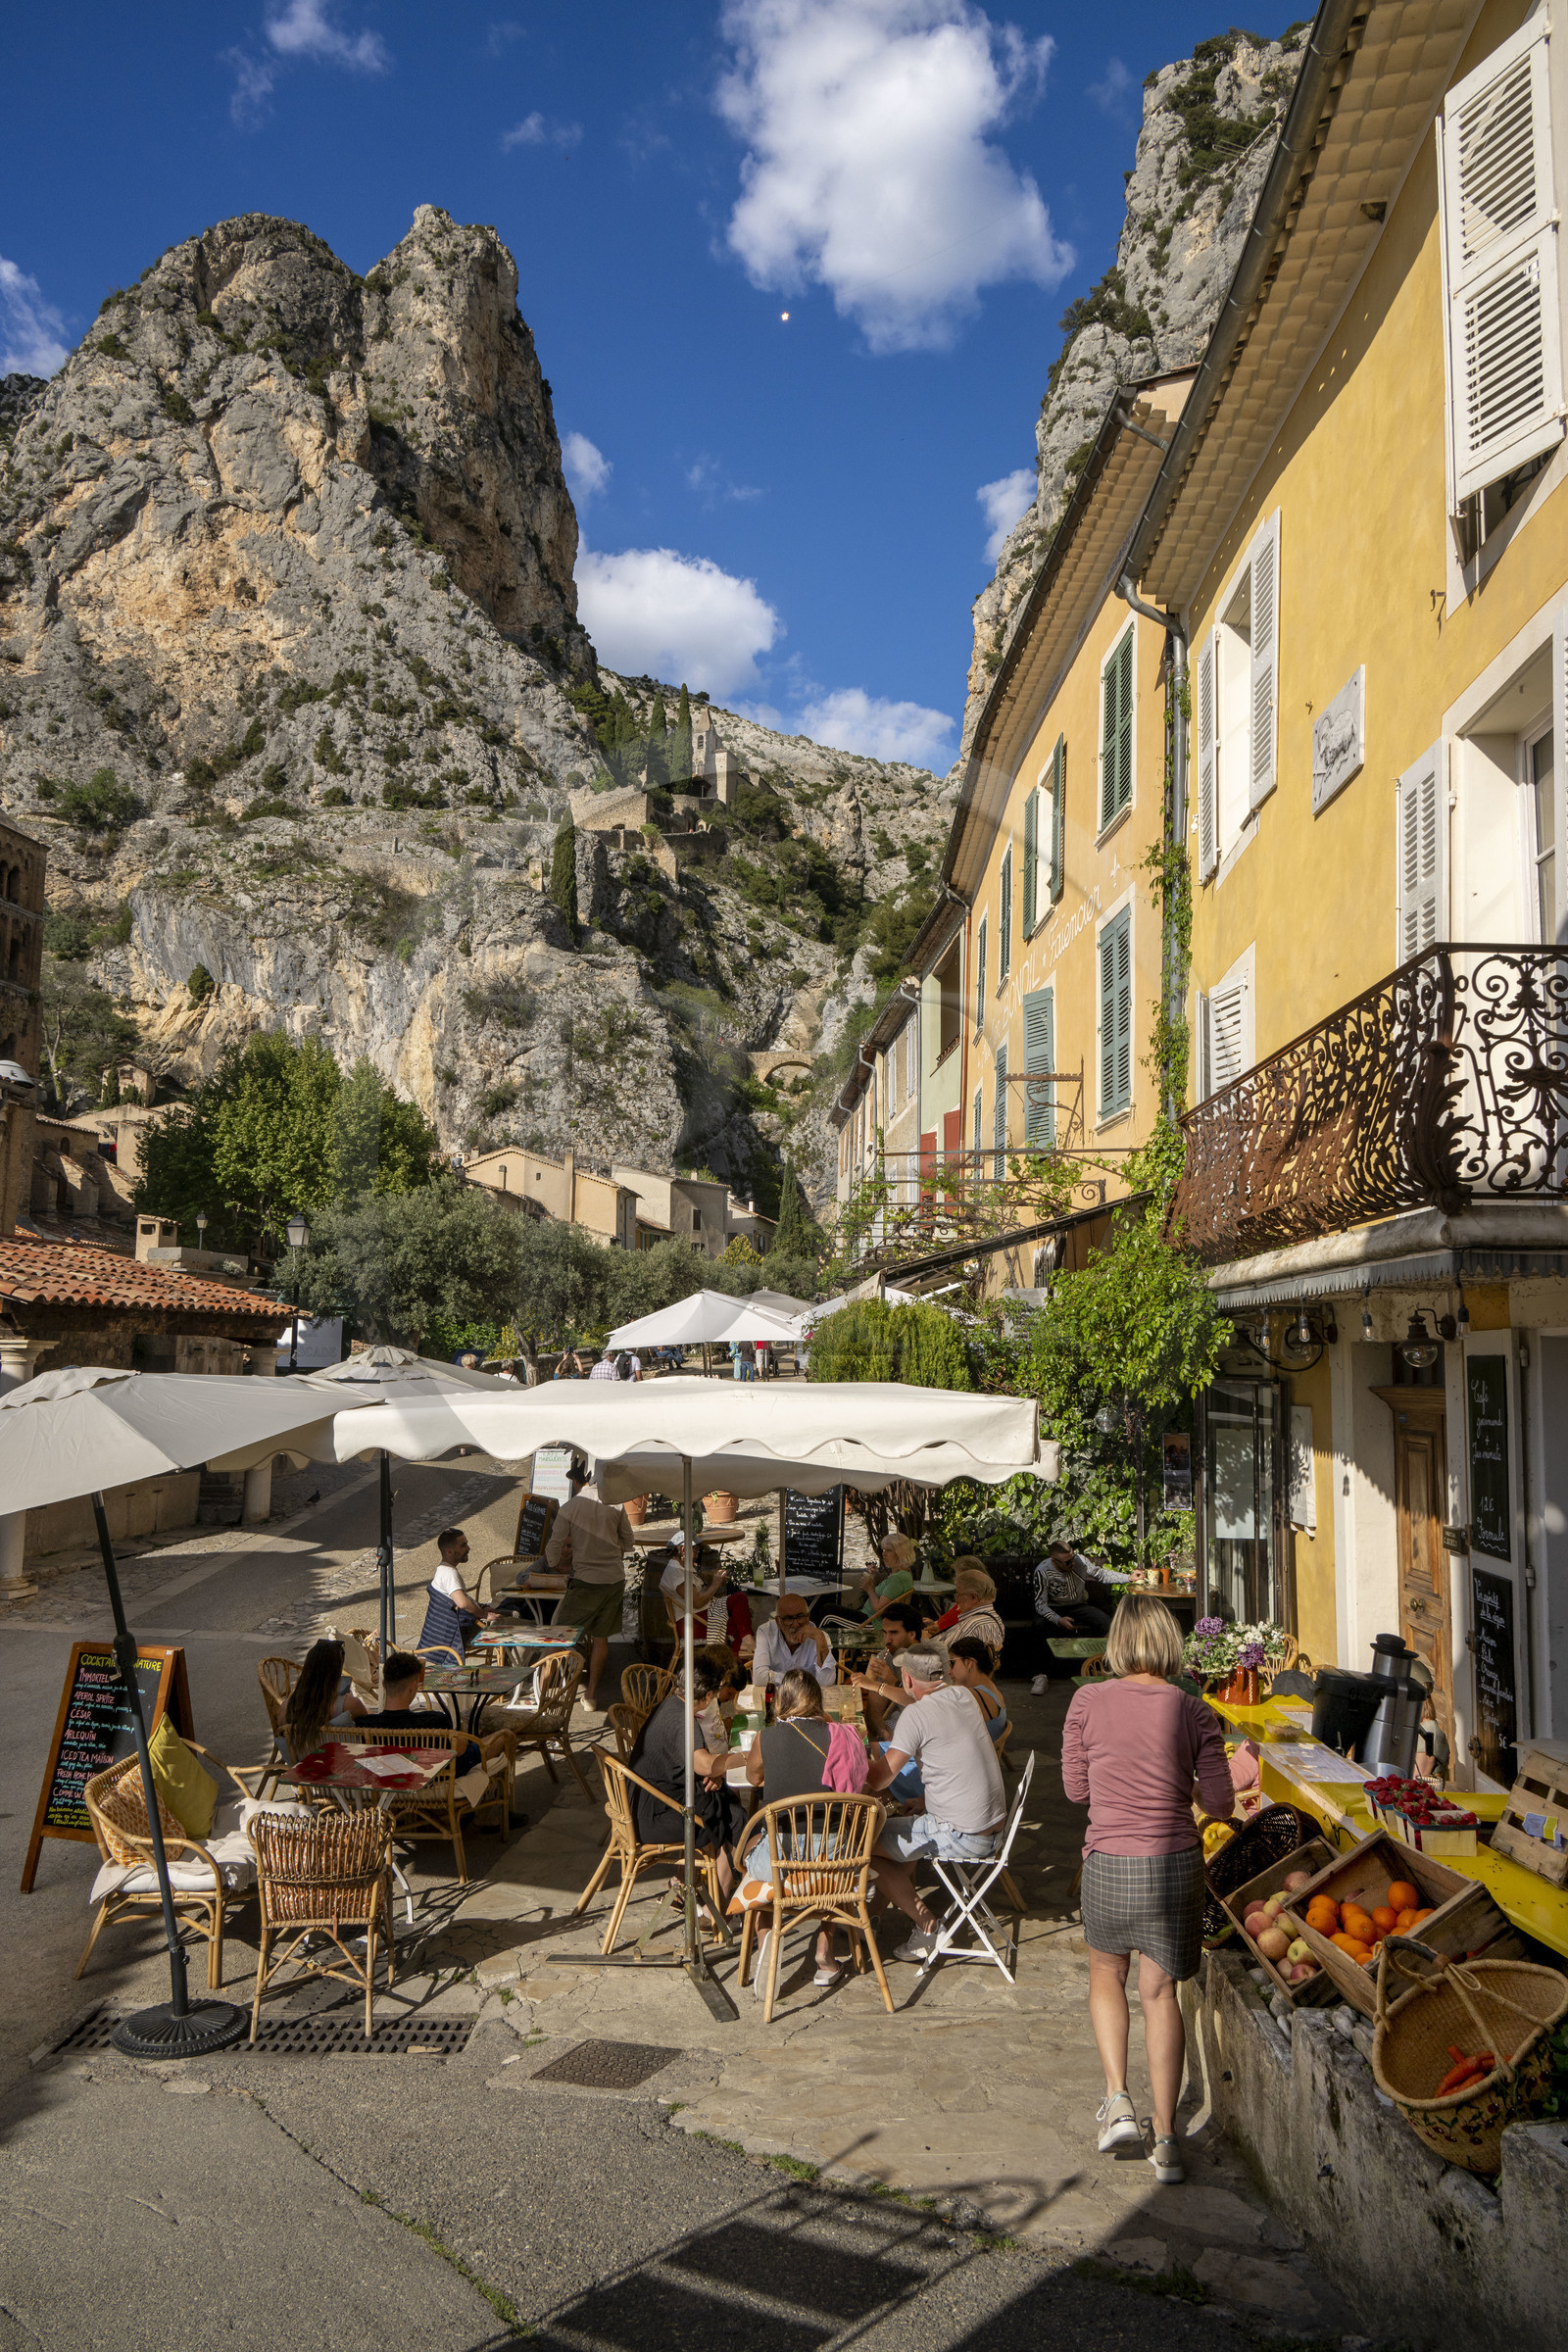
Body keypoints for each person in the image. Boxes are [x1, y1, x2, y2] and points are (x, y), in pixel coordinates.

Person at [1060, 1593, 1235, 2187]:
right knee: (1160, 1995)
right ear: (1168, 1642)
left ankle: (1118, 2102)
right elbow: (1220, 1803)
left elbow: (1075, 1791)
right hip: (1175, 1865)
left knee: (1105, 1975)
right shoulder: (1195, 1710)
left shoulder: (1086, 1700)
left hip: (1108, 1862)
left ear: (1114, 1643)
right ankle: (1168, 2140)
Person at [864, 1645, 1005, 1962]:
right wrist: (927, 1799)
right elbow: (956, 1754)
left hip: (964, 1835)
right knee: (901, 1831)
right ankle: (872, 1916)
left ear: (907, 1678)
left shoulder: (916, 1714)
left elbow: (879, 1780)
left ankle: (927, 1925)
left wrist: (855, 1756)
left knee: (864, 1845)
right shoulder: (965, 1697)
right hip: (995, 1829)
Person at [739, 1668, 867, 1989]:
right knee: (833, 1872)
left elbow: (754, 1779)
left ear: (781, 1700)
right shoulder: (841, 1735)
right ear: (817, 1700)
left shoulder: (765, 1737)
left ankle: (768, 1936)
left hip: (780, 1861)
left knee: (750, 1848)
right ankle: (824, 1954)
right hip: (832, 1859)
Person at [627, 1652, 743, 1909]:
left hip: (641, 1804)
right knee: (731, 1814)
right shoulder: (683, 1719)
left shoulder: (671, 1704)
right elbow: (703, 1763)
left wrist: (714, 1775)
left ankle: (683, 1884)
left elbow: (693, 1767)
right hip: (653, 1818)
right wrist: (742, 1758)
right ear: (710, 1695)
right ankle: (717, 1909)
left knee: (721, 1799)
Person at [545, 1460, 635, 1711]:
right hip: (613, 1580)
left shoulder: (570, 1507)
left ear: (575, 1482)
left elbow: (555, 1544)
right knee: (601, 1638)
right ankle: (591, 1695)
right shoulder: (615, 1504)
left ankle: (544, 1696)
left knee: (559, 1637)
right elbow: (629, 1542)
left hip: (585, 1580)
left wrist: (554, 1564)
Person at [357, 1650, 482, 1775]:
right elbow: (459, 1749)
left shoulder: (364, 1724)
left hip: (386, 1780)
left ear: (383, 1684)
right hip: (434, 1780)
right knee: (490, 1742)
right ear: (413, 1685)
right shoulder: (435, 1721)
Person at [848, 1599, 925, 1737]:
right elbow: (874, 1713)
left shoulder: (929, 1658)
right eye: (885, 1632)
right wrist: (881, 1731)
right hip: (896, 1723)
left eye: (894, 1633)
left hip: (924, 1727)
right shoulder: (885, 1656)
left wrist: (891, 1682)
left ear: (912, 1634)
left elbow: (922, 1705)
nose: (887, 1639)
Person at [281, 1638, 368, 1759]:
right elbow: (369, 1731)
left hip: (304, 1770)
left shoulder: (286, 1707)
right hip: (344, 1768)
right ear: (336, 1673)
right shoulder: (349, 1705)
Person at [752, 1592, 837, 1686]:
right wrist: (797, 1680)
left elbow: (826, 1682)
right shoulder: (766, 1632)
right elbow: (759, 1678)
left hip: (808, 1698)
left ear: (808, 1618)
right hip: (775, 1697)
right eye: (788, 1618)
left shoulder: (820, 1637)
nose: (795, 1624)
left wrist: (821, 1639)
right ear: (778, 1622)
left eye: (800, 1617)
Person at [661, 1538, 731, 1643]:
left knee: (737, 1604)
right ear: (684, 1550)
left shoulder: (682, 1567)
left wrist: (716, 1581)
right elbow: (697, 1602)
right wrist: (715, 1584)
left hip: (698, 1616)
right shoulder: (676, 1573)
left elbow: (698, 1594)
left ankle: (743, 1652)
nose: (697, 1555)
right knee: (737, 1613)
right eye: (695, 1551)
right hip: (692, 1623)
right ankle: (741, 1655)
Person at [933, 1564, 1005, 1667]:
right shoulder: (989, 1618)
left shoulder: (976, 1625)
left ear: (973, 1597)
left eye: (958, 1594)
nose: (956, 1599)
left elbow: (945, 1660)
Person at [947, 1635, 1009, 1746]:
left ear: (969, 1663)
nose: (949, 1671)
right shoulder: (990, 1688)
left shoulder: (974, 1696)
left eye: (952, 1663)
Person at [853, 1531, 918, 1621]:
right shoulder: (900, 1574)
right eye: (884, 1550)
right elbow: (889, 1588)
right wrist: (876, 1575)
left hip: (870, 1622)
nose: (884, 1554)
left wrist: (869, 1589)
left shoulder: (899, 1578)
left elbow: (879, 1608)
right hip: (866, 1617)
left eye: (889, 1550)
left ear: (900, 1553)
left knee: (828, 1612)